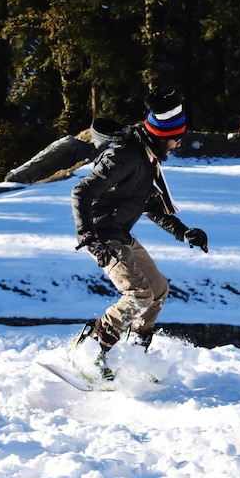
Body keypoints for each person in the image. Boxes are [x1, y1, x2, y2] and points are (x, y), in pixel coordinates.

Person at [71, 87, 208, 367]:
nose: (178, 145)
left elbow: (150, 205)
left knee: (158, 289)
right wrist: (89, 238)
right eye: (175, 139)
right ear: (161, 136)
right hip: (103, 235)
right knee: (138, 293)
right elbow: (81, 192)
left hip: (120, 233)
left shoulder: (147, 158)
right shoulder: (125, 156)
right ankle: (88, 355)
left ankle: (133, 355)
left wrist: (184, 232)